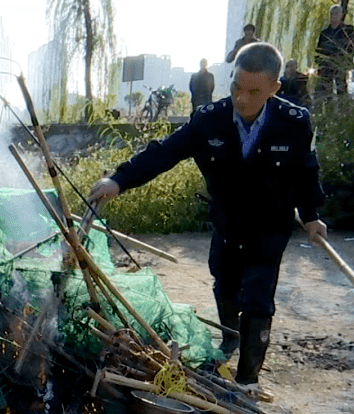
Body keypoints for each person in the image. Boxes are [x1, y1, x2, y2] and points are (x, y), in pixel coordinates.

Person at [88, 42, 327, 392]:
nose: (242, 99)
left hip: (269, 225)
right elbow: (165, 153)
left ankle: (247, 380)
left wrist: (311, 215)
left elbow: (306, 173)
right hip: (228, 220)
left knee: (258, 297)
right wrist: (119, 180)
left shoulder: (294, 123)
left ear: (275, 88)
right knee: (225, 280)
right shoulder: (209, 119)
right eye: (236, 88)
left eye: (254, 91)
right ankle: (230, 339)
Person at [314, 4, 354, 99]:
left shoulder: (348, 30)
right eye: (332, 13)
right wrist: (319, 63)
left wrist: (346, 56)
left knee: (341, 88)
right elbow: (319, 50)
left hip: (341, 64)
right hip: (326, 66)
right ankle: (328, 108)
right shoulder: (325, 32)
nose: (334, 16)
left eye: (336, 13)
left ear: (341, 15)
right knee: (325, 90)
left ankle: (343, 110)